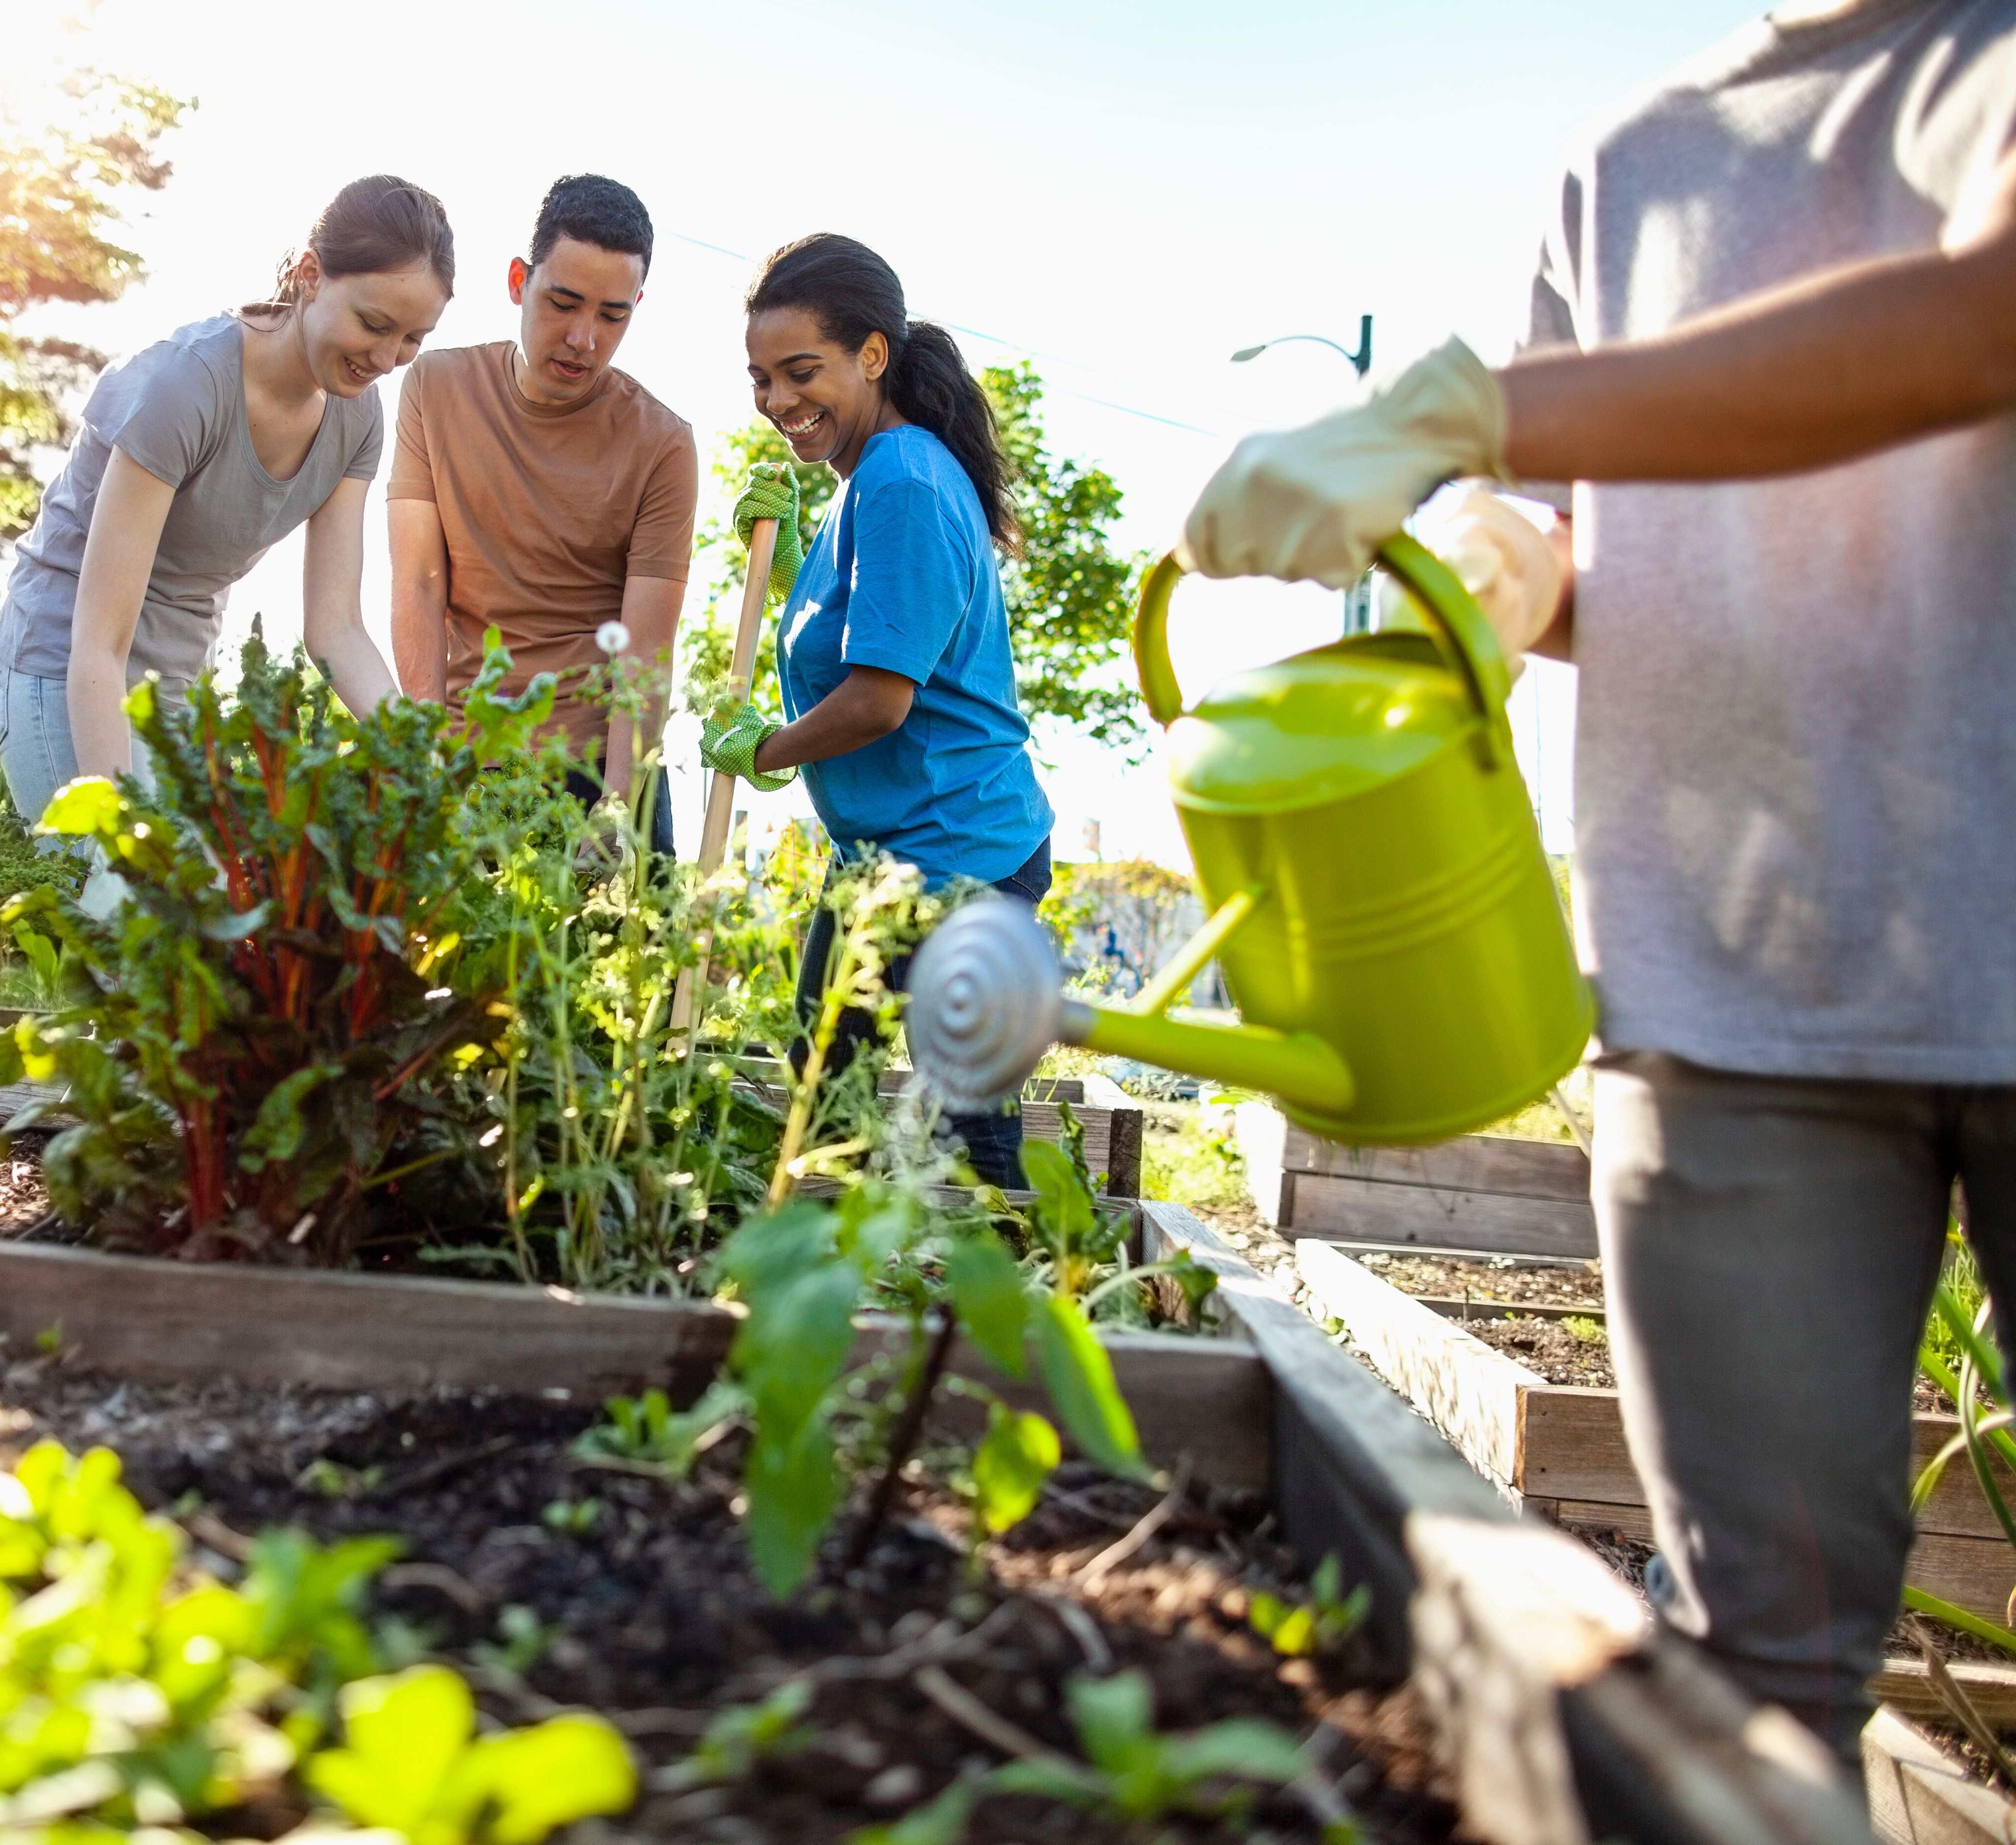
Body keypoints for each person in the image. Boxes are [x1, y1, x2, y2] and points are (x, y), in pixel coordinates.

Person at [1180, 0, 2016, 1759]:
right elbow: (1609, 549)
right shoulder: (1621, 163)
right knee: (1762, 1681)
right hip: (1728, 990)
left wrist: (1469, 409)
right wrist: (1506, 569)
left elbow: (1980, 315)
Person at [702, 233, 1056, 1187]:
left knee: (959, 1134)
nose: (779, 402)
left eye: (801, 371)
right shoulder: (876, 478)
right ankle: (852, 1293)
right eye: (761, 380)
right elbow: (852, 641)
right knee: (830, 1097)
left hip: (956, 857)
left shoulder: (900, 475)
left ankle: (1022, 1314)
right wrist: (783, 566)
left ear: (873, 355)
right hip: (889, 855)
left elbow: (879, 699)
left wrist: (763, 750)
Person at [0, 175, 454, 823]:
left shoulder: (356, 420)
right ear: (312, 276)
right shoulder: (186, 386)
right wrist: (120, 831)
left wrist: (422, 757)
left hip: (172, 691)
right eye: (373, 324)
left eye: (411, 339)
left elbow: (337, 628)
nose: (385, 357)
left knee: (210, 916)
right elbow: (100, 639)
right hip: (64, 666)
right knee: (118, 902)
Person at [388, 173, 697, 854]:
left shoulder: (663, 444)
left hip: (599, 770)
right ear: (517, 281)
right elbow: (418, 584)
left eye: (613, 316)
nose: (584, 337)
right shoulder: (434, 390)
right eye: (563, 303)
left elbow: (646, 650)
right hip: (470, 759)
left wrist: (618, 804)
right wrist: (425, 758)